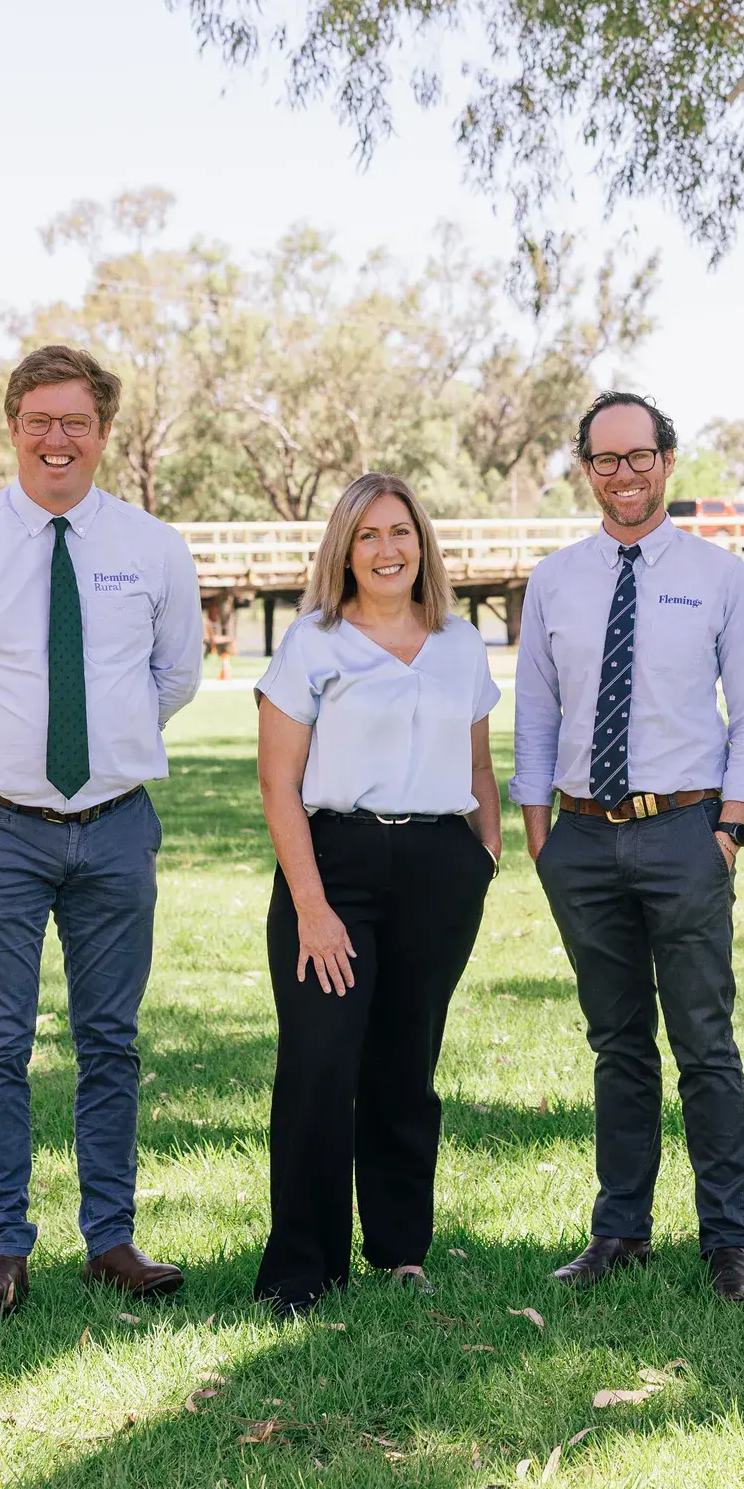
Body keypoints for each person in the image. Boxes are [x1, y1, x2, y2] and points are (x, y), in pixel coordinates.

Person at [0, 344, 205, 1318]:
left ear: (104, 433)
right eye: (38, 420)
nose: (56, 438)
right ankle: (2, 1246)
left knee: (111, 1038)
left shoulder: (154, 549)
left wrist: (102, 755)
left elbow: (174, 678)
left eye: (75, 422)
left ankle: (111, 1237)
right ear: (12, 427)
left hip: (113, 828)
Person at [512, 390, 744, 1303]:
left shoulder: (718, 576)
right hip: (582, 841)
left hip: (687, 834)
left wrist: (730, 830)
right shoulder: (554, 580)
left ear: (667, 459)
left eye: (639, 456)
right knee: (617, 1044)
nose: (623, 474)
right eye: (604, 460)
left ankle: (726, 1244)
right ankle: (620, 1231)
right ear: (587, 469)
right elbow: (536, 714)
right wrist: (542, 837)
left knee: (704, 1041)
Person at [252, 473, 502, 1319]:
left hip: (438, 865)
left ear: (422, 543)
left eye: (401, 532)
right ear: (344, 550)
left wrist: (483, 857)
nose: (388, 549)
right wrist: (313, 907)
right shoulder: (314, 643)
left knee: (407, 1063)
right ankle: (301, 1269)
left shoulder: (461, 645)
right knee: (321, 1063)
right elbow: (279, 785)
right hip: (336, 862)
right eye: (368, 536)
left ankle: (400, 1249)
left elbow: (477, 766)